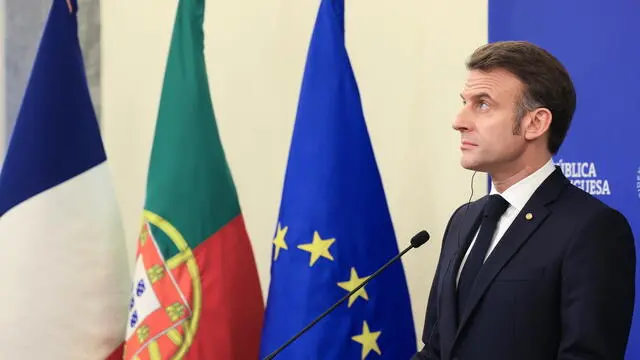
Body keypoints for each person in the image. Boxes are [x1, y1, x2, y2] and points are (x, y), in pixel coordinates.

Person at [412, 41, 636, 360]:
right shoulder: (463, 220)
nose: (459, 120)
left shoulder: (592, 229)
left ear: (535, 123)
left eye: (483, 104)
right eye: (464, 102)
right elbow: (436, 349)